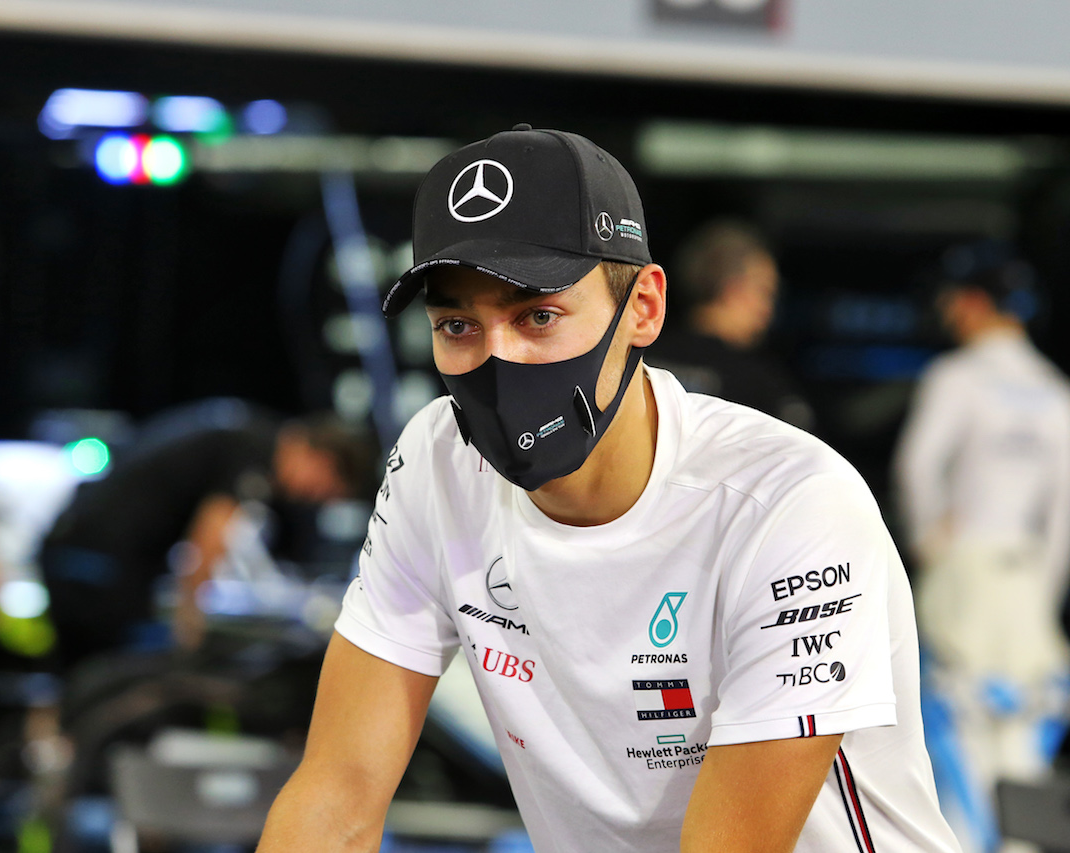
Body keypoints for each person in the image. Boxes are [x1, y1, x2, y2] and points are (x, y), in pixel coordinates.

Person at [256, 125, 958, 852]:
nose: (498, 360)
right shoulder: (438, 463)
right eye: (458, 324)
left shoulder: (787, 504)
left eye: (538, 315)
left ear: (644, 309)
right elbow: (337, 794)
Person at [893, 242, 1070, 853]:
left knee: (951, 741)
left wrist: (930, 548)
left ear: (972, 303)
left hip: (963, 574)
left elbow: (917, 468)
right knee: (1022, 749)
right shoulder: (1054, 390)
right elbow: (1063, 516)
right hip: (1024, 584)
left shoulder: (957, 377)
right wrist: (1042, 595)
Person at [40, 415, 372, 669]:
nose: (309, 497)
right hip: (92, 561)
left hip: (84, 551)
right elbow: (209, 540)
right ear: (320, 457)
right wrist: (189, 626)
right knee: (102, 677)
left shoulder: (241, 436)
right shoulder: (251, 450)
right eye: (321, 488)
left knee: (85, 673)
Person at [645, 218, 814, 430]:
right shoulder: (760, 384)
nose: (768, 309)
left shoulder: (639, 360)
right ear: (732, 289)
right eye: (765, 292)